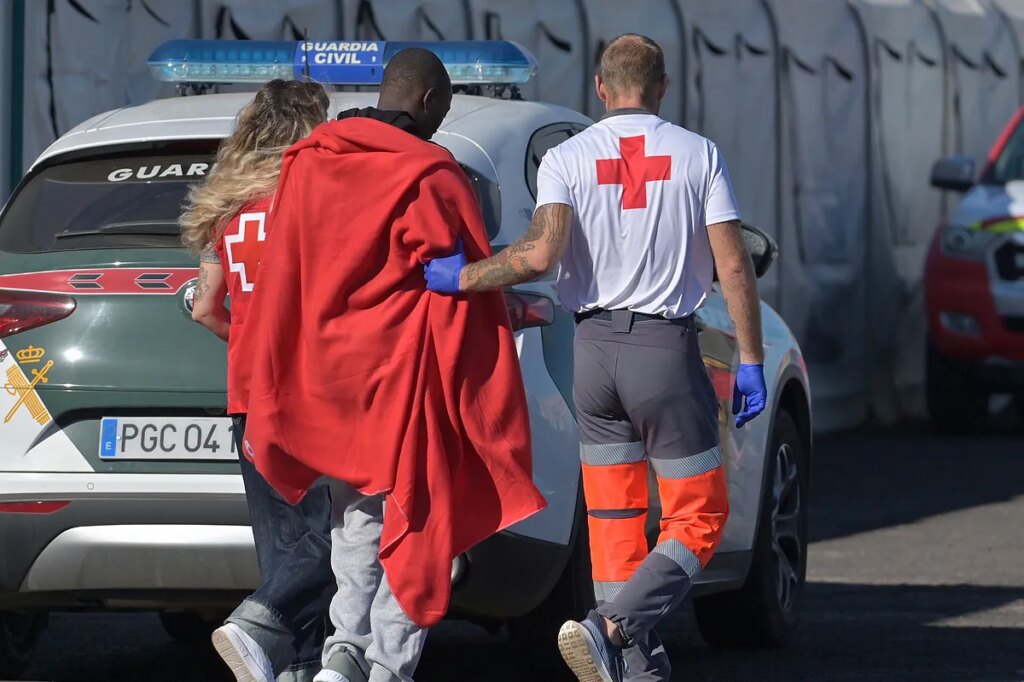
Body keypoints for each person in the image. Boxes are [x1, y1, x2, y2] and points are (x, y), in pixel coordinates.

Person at [425, 33, 768, 682]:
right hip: (663, 353)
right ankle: (611, 627)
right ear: (664, 88)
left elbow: (538, 257)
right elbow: (732, 262)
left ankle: (634, 666)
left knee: (615, 520)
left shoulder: (568, 158)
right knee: (700, 517)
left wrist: (461, 278)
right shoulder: (698, 155)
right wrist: (748, 357)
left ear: (602, 90)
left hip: (592, 354)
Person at [238, 48, 547, 682]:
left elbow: (288, 274)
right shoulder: (431, 174)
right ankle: (384, 665)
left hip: (327, 377)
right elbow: (459, 284)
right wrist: (501, 316)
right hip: (402, 376)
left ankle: (343, 652)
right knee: (419, 512)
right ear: (431, 101)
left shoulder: (310, 161)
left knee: (354, 513)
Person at [181, 79, 334, 682]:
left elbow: (205, 307)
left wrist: (249, 343)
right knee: (338, 537)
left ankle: (293, 666)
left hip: (250, 395)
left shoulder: (228, 208)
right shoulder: (315, 199)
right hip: (314, 392)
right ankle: (258, 620)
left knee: (283, 543)